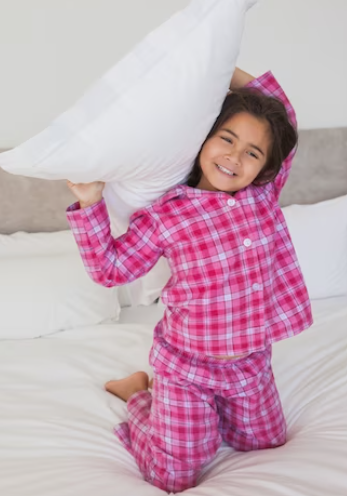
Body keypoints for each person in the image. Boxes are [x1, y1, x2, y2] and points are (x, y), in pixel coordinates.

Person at [66, 68, 313, 493]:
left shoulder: (263, 196)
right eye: (227, 139)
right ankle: (141, 396)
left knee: (265, 443)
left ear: (266, 168)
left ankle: (199, 411)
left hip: (251, 362)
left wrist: (219, 63)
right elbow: (111, 269)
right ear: (203, 138)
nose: (235, 158)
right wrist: (90, 202)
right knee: (173, 476)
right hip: (187, 368)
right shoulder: (167, 214)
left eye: (253, 153)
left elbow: (283, 116)